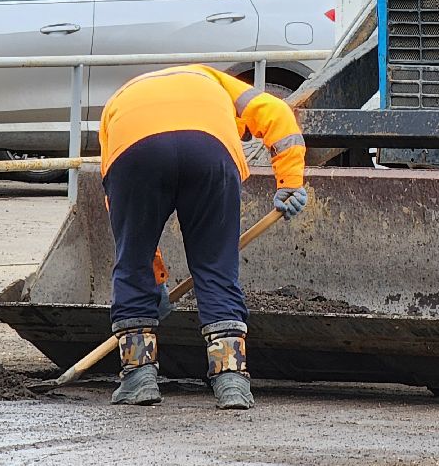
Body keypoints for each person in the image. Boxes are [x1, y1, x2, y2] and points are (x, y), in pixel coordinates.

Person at [98, 64, 309, 410]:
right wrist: (290, 183)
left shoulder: (121, 99)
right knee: (216, 267)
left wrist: (152, 278)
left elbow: (125, 225)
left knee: (131, 261)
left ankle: (138, 378)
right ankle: (231, 382)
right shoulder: (217, 82)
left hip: (134, 149)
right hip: (209, 150)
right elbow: (277, 112)